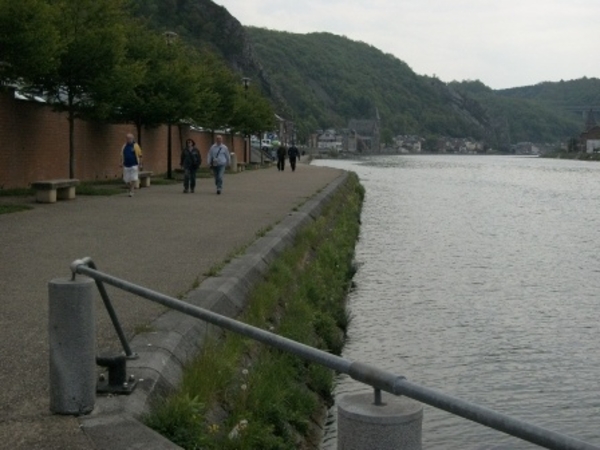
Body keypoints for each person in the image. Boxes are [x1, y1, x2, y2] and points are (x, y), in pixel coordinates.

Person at [120, 133, 143, 197]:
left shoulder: (135, 146)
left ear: (132, 139)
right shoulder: (124, 146)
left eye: (129, 138)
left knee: (133, 178)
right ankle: (130, 188)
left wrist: (140, 164)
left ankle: (131, 190)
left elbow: (140, 155)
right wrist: (121, 162)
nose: (128, 139)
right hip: (126, 165)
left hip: (134, 164)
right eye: (127, 138)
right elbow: (122, 155)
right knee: (126, 179)